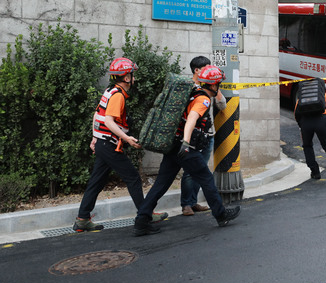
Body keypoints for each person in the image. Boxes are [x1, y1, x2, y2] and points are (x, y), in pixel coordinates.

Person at [133, 65, 240, 236]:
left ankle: (141, 220)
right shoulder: (203, 100)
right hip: (185, 148)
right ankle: (220, 214)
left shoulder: (193, 92)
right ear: (213, 85)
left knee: (161, 184)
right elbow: (191, 119)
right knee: (206, 179)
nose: (219, 86)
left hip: (174, 146)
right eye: (218, 83)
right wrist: (186, 142)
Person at [74, 57, 167, 232]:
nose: (134, 79)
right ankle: (145, 216)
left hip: (103, 143)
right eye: (132, 75)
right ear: (126, 78)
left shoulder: (109, 91)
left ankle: (82, 219)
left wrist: (95, 137)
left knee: (96, 181)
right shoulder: (118, 96)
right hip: (109, 145)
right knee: (132, 177)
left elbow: (97, 116)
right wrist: (127, 138)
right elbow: (108, 121)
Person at [180, 56, 227, 217]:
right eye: (205, 68)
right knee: (190, 172)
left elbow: (223, 105)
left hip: (208, 136)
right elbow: (191, 116)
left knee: (201, 171)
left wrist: (216, 86)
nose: (208, 71)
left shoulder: (210, 87)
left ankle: (193, 202)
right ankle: (186, 204)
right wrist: (186, 140)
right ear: (196, 71)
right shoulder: (189, 88)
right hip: (192, 139)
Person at [294, 79, 326, 180]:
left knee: (307, 146)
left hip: (306, 123)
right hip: (321, 121)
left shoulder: (301, 99)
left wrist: (301, 127)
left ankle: (315, 172)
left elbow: (296, 114)